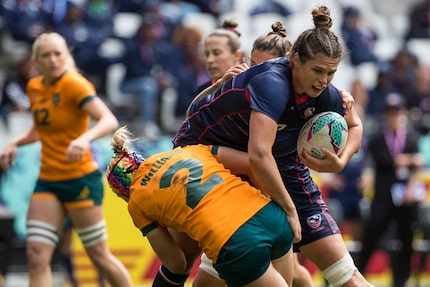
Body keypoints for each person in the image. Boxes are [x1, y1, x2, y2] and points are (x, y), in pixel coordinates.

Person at [173, 5, 374, 287]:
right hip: (210, 159)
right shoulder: (271, 83)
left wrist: (341, 161)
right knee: (182, 264)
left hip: (274, 163)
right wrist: (290, 211)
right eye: (317, 70)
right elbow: (258, 155)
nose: (324, 80)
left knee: (344, 274)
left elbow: (356, 126)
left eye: (331, 73)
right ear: (294, 60)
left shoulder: (325, 92)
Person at [0, 32, 132, 287]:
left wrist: (85, 139)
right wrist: (14, 142)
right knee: (37, 256)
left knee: (98, 256)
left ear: (66, 56)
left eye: (57, 54)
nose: (52, 60)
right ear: (36, 60)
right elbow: (40, 128)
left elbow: (109, 120)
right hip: (48, 181)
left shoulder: (75, 84)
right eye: (46, 55)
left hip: (80, 179)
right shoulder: (35, 87)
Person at [191, 21, 313, 287]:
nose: (262, 73)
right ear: (246, 60)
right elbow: (191, 118)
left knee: (294, 274)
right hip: (234, 195)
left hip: (262, 201)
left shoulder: (285, 95)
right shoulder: (234, 88)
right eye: (256, 65)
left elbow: (257, 158)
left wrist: (345, 102)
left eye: (216, 52)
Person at [106, 126, 295, 287]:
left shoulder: (136, 203)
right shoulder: (188, 150)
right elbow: (250, 164)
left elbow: (178, 265)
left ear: (123, 192)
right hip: (271, 217)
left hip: (235, 242)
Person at [356, 92, 425, 287]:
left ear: (403, 113)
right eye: (390, 112)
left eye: (397, 112)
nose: (394, 116)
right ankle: (357, 276)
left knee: (407, 238)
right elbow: (376, 162)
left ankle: (401, 280)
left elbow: (417, 164)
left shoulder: (411, 136)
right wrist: (405, 160)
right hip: (383, 196)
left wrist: (410, 176)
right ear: (385, 114)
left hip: (405, 197)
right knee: (371, 236)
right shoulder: (378, 137)